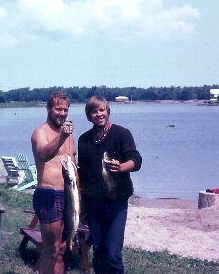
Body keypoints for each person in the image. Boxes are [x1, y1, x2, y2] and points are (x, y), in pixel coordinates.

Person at [77, 95, 142, 274]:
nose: (99, 114)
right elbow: (82, 172)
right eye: (94, 111)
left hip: (116, 204)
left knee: (113, 254)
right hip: (93, 204)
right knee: (99, 251)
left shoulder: (122, 133)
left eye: (102, 110)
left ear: (107, 111)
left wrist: (122, 167)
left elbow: (136, 160)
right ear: (89, 115)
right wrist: (80, 204)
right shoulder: (84, 140)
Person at [31, 92, 78, 274]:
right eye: (58, 109)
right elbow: (43, 154)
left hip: (70, 196)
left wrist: (79, 198)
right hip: (49, 195)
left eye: (66, 109)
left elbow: (74, 167)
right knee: (53, 250)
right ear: (48, 109)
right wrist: (62, 137)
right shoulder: (40, 132)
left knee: (62, 250)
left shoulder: (69, 136)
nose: (62, 113)